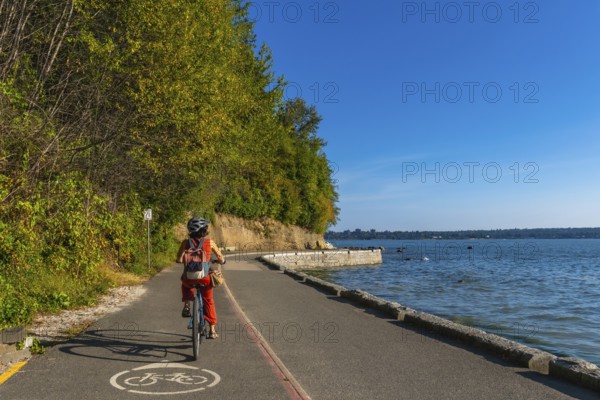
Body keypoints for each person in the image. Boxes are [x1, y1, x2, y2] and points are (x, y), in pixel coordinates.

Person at [176, 217, 225, 339]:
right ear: (203, 230)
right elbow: (221, 258)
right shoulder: (210, 243)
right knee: (208, 300)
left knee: (185, 283)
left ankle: (187, 305)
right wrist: (220, 261)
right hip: (205, 278)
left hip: (189, 278)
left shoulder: (185, 243)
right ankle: (212, 330)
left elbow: (179, 259)